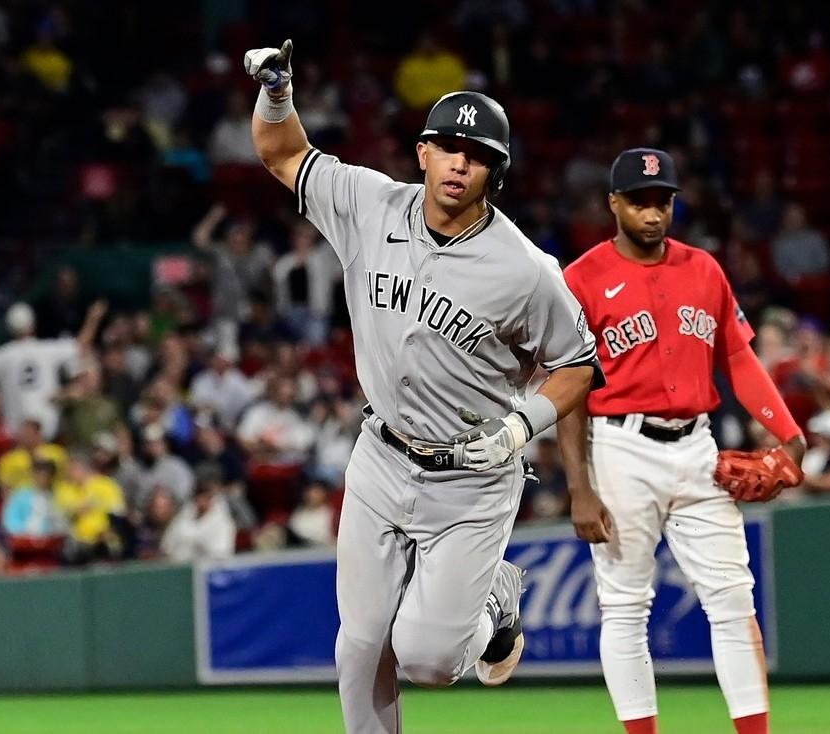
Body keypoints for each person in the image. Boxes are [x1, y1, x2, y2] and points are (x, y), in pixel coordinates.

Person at [245, 40, 602, 732]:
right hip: (382, 454)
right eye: (447, 146)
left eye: (477, 154)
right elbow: (281, 154)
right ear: (422, 153)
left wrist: (521, 426)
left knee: (429, 659)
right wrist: (278, 93)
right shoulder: (368, 204)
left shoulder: (525, 269)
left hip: (472, 475)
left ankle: (496, 597)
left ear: (495, 173)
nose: (460, 161)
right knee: (359, 642)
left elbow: (578, 363)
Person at [557, 148, 806, 734]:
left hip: (698, 447)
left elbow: (739, 359)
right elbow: (566, 389)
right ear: (613, 203)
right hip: (620, 448)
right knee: (624, 608)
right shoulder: (581, 278)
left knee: (733, 600)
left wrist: (789, 435)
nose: (652, 212)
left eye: (661, 200)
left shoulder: (704, 269)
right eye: (639, 201)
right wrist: (579, 487)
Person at [0, 299, 106, 439]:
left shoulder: (2, 354)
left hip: (17, 433)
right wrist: (93, 318)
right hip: (48, 428)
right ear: (33, 324)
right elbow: (81, 346)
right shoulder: (46, 349)